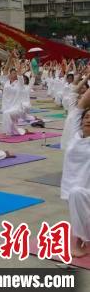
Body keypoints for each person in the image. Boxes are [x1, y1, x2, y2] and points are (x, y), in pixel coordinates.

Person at [60, 85, 90, 258]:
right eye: (86, 117)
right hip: (72, 189)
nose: (88, 119)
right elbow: (81, 104)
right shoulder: (74, 136)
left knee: (77, 194)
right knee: (76, 196)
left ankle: (79, 241)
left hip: (83, 190)